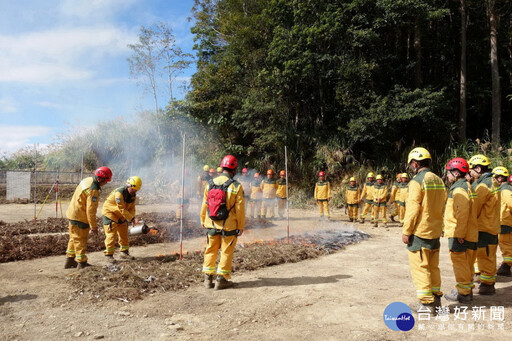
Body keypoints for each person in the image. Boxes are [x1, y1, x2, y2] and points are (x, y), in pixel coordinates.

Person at [402, 147, 446, 312]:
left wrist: (407, 231)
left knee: (421, 268)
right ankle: (436, 300)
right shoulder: (438, 180)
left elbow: (413, 208)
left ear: (414, 163)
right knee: (433, 267)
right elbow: (442, 204)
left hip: (421, 231)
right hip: (434, 230)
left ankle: (427, 304)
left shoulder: (417, 181)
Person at [201, 155, 245, 290]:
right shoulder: (236, 186)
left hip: (211, 223)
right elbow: (240, 209)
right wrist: (241, 226)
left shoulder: (210, 183)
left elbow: (205, 204)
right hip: (229, 226)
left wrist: (203, 219)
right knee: (226, 251)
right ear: (234, 169)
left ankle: (208, 279)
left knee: (210, 250)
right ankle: (221, 279)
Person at [443, 158, 478, 303]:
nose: (448, 175)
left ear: (456, 173)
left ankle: (463, 293)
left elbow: (462, 213)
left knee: (460, 263)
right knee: (467, 263)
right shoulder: (468, 186)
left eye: (449, 173)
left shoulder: (458, 189)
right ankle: (466, 288)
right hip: (470, 232)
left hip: (460, 232)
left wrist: (459, 234)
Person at [65, 166, 112, 269]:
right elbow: (90, 210)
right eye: (106, 180)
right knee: (80, 240)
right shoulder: (93, 189)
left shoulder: (87, 180)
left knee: (73, 238)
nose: (106, 183)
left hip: (72, 213)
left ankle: (69, 261)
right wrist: (93, 226)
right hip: (80, 217)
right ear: (100, 179)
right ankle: (82, 263)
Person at [468, 154, 501, 295]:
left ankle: (487, 285)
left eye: (472, 169)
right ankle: (487, 281)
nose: (470, 172)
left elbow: (476, 206)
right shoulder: (492, 181)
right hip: (491, 225)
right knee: (489, 255)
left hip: (484, 227)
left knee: (485, 256)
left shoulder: (484, 185)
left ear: (479, 168)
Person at [102, 176, 142, 262]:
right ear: (129, 186)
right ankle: (109, 256)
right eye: (133, 189)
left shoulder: (133, 195)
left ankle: (124, 253)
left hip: (121, 215)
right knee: (111, 235)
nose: (134, 192)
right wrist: (131, 219)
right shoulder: (119, 193)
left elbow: (132, 208)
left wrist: (133, 218)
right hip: (110, 213)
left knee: (124, 234)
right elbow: (121, 209)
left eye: (136, 190)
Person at [493, 168, 512, 277]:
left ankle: (507, 266)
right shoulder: (504, 189)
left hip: (505, 221)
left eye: (494, 178)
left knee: (506, 245)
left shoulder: (505, 190)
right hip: (504, 221)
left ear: (500, 177)